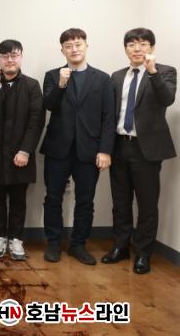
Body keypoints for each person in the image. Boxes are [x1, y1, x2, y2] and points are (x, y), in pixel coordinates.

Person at [102, 28, 176, 274]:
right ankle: (120, 247)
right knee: (120, 202)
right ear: (125, 49)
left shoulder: (165, 71)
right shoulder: (116, 76)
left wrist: (152, 72)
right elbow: (110, 114)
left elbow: (167, 99)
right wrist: (105, 148)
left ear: (151, 48)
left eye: (143, 44)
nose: (137, 49)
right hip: (119, 145)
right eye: (132, 44)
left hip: (146, 149)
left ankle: (143, 253)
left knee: (147, 204)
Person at [40, 28, 115, 265]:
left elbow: (108, 118)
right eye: (69, 46)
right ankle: (54, 243)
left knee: (85, 200)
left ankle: (78, 245)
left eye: (78, 44)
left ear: (86, 46)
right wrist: (61, 85)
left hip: (89, 150)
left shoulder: (103, 79)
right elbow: (49, 105)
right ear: (62, 50)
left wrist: (105, 150)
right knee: (53, 198)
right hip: (58, 148)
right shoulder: (53, 75)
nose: (74, 49)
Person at [0, 40, 45, 261]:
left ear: (21, 56)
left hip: (20, 153)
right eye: (4, 56)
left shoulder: (32, 85)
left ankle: (16, 238)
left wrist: (25, 150)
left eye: (14, 55)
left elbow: (36, 121)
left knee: (18, 199)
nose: (9, 60)